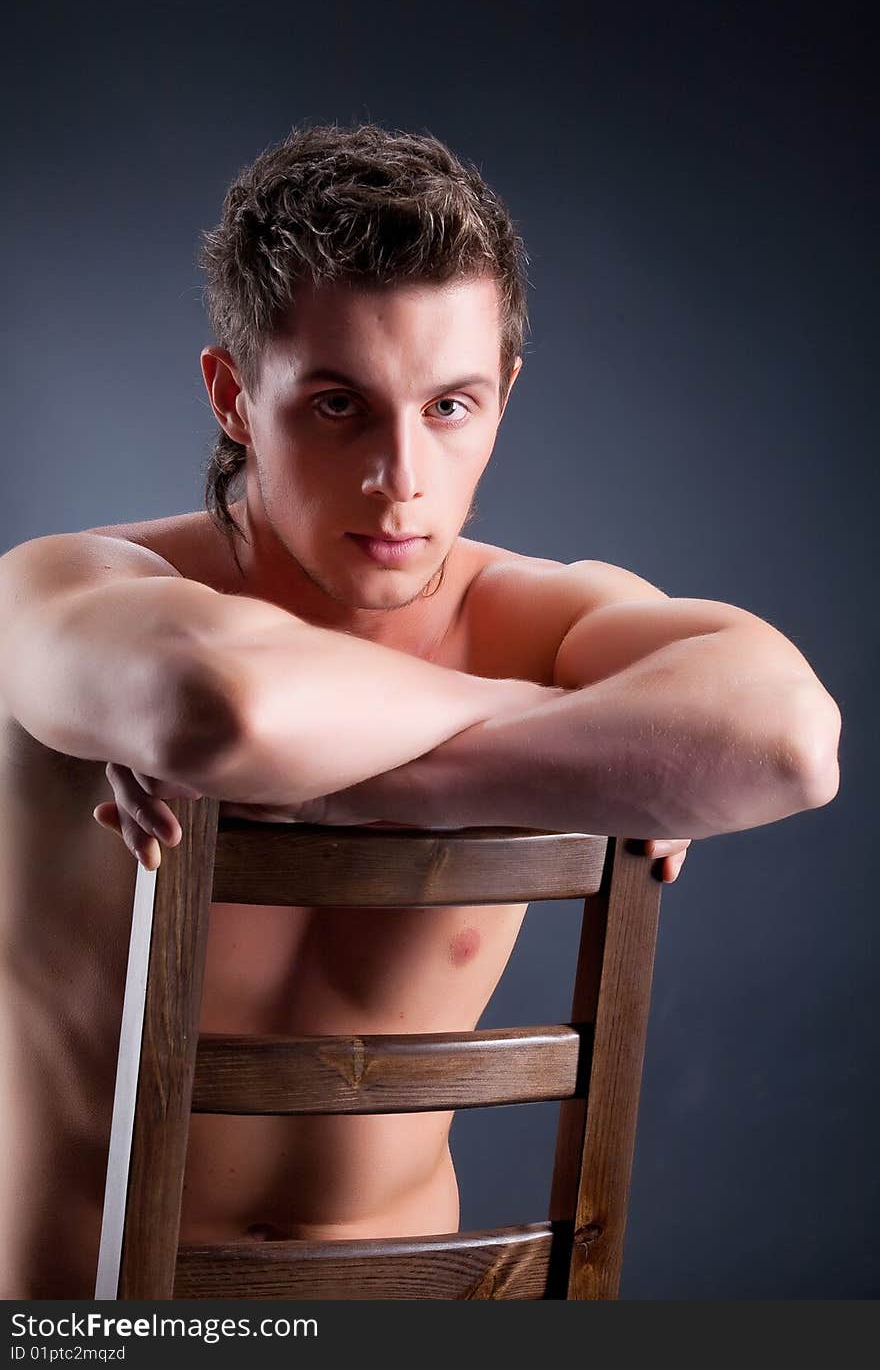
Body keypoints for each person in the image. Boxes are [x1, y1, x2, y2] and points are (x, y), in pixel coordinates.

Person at [0, 122, 841, 1298]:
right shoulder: (65, 589)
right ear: (235, 396)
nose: (402, 478)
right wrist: (572, 729)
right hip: (92, 1320)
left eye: (450, 406)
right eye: (341, 405)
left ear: (503, 394)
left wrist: (333, 763)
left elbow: (787, 742)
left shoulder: (531, 613)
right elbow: (223, 706)